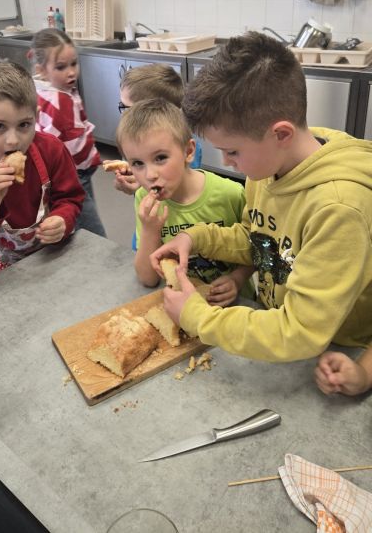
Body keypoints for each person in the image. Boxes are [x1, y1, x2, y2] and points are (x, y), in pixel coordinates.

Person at [150, 32, 372, 362]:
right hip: (272, 326)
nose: (226, 162)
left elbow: (300, 331)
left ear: (281, 134)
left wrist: (198, 317)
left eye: (232, 151)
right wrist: (195, 238)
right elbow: (260, 240)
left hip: (336, 351)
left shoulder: (338, 208)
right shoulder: (269, 167)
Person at [116, 97, 254, 306]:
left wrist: (237, 279)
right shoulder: (144, 200)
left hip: (234, 306)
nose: (150, 175)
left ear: (188, 152)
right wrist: (150, 230)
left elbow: (256, 250)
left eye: (160, 158)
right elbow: (147, 278)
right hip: (182, 305)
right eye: (137, 163)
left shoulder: (231, 194)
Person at [0, 60, 85, 273]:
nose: (13, 141)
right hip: (5, 261)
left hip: (53, 250)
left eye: (24, 125)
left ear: (36, 117)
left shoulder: (52, 150)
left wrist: (63, 218)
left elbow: (71, 198)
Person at [30, 28, 106, 238]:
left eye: (74, 64)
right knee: (91, 229)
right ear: (42, 70)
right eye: (61, 67)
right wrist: (92, 159)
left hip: (62, 172)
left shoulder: (44, 91)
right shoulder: (60, 101)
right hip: (74, 172)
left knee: (75, 219)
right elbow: (73, 148)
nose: (71, 72)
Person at [114, 63, 202, 197]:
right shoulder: (132, 137)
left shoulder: (182, 147)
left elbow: (180, 190)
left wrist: (141, 187)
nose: (123, 116)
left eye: (127, 109)